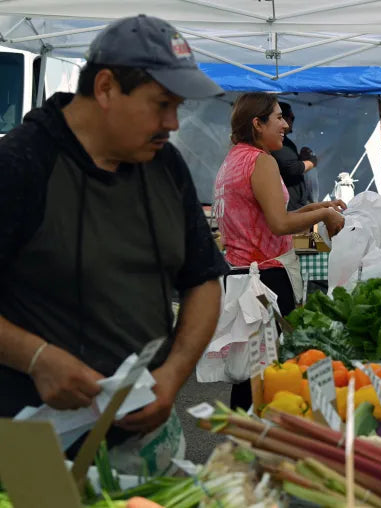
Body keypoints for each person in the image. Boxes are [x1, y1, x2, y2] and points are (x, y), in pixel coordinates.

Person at [0, 15, 228, 471]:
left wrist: (173, 373)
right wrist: (37, 357)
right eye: (161, 104)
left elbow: (204, 279)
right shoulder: (21, 165)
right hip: (31, 446)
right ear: (105, 88)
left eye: (177, 106)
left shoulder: (165, 166)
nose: (172, 123)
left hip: (145, 440)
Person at [213, 92, 346, 411]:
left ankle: (241, 440)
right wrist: (324, 216)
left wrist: (317, 206)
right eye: (278, 118)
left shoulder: (234, 159)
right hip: (268, 282)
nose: (285, 124)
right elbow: (278, 223)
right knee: (272, 374)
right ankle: (263, 444)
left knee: (252, 373)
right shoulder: (262, 161)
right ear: (257, 124)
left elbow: (264, 216)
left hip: (243, 278)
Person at [271, 101, 318, 211]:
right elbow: (291, 167)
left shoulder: (283, 141)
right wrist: (312, 162)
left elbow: (285, 163)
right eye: (291, 118)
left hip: (294, 203)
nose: (288, 124)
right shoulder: (277, 143)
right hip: (288, 206)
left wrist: (299, 158)